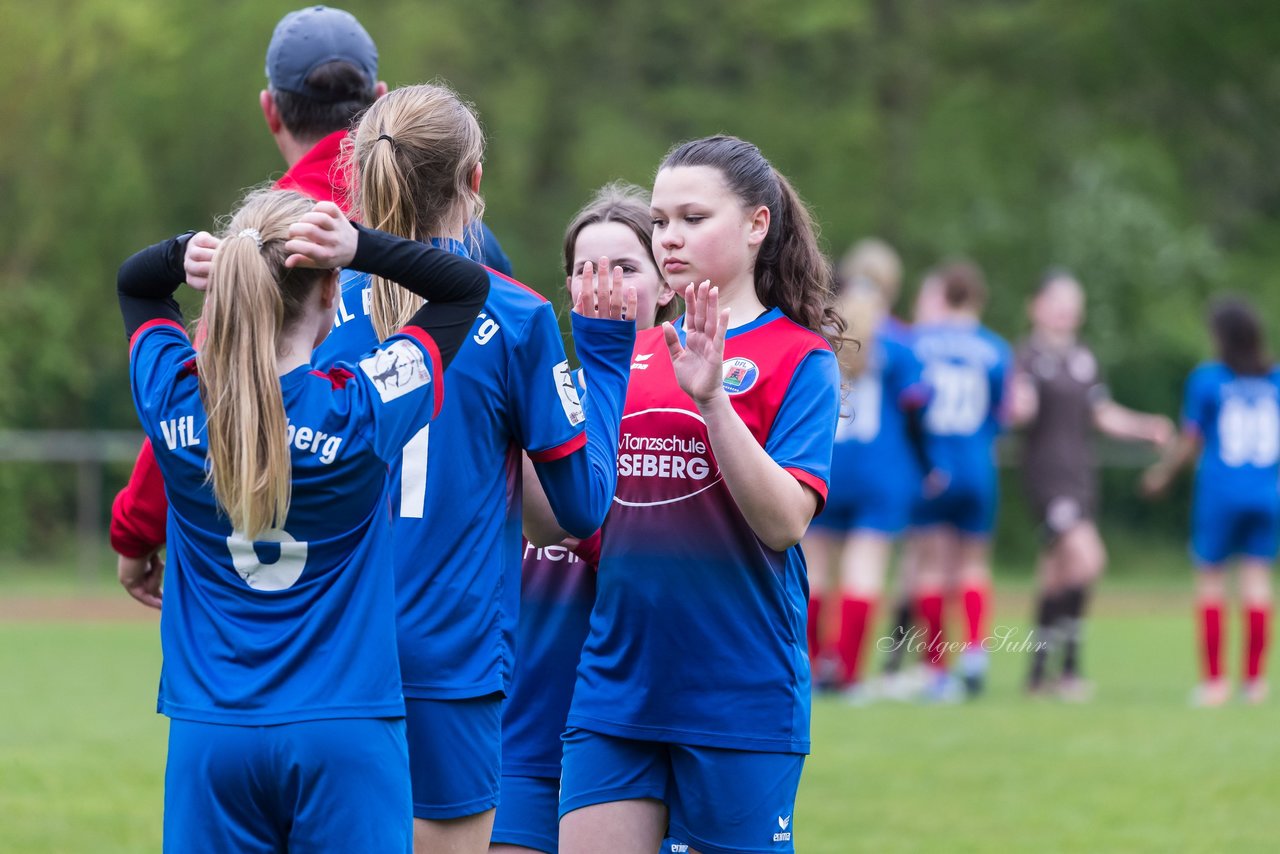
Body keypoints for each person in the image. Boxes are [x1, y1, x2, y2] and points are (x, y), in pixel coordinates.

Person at [310, 84, 636, 853]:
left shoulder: (316, 302)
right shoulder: (516, 315)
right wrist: (606, 357)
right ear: (474, 180)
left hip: (324, 645)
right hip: (449, 654)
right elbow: (582, 507)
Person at [117, 188, 490, 850]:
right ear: (327, 295)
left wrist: (181, 255)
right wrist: (361, 245)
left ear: (228, 288)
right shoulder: (359, 410)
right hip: (345, 732)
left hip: (213, 734)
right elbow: (463, 289)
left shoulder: (176, 400)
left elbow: (137, 288)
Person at [109, 4, 515, 588]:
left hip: (298, 577)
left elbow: (204, 392)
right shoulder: (467, 238)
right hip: (447, 585)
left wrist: (136, 531)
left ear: (270, 109)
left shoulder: (261, 236)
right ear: (377, 98)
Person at [557, 135, 842, 854]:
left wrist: (714, 400)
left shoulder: (800, 357)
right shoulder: (630, 353)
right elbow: (575, 521)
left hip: (738, 695)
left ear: (757, 225)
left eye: (692, 217)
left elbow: (783, 524)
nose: (669, 238)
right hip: (617, 688)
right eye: (659, 221)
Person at [492, 183, 676, 854]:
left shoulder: (695, 402)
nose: (604, 284)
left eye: (625, 268)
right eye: (585, 269)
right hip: (530, 702)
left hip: (640, 709)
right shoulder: (543, 394)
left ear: (667, 284)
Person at [1011, 271, 1172, 699]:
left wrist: (1145, 426)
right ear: (1036, 306)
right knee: (1089, 560)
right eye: (1057, 300)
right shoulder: (1026, 357)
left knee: (1057, 574)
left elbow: (1102, 414)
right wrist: (1016, 409)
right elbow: (1016, 410)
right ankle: (1068, 668)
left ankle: (1041, 672)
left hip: (1080, 479)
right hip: (1048, 480)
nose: (1065, 309)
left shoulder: (1084, 359)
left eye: (1072, 301)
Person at [803, 239, 931, 700]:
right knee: (865, 568)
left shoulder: (821, 330)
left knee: (814, 570)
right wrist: (927, 465)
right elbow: (917, 408)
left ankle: (814, 669)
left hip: (826, 462)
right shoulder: (899, 339)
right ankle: (851, 675)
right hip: (881, 469)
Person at [1142, 297, 1279, 706]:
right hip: (1269, 494)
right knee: (1257, 583)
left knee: (1211, 585)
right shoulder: (1275, 379)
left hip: (1221, 494)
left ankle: (1215, 683)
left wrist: (1162, 474)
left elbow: (1191, 439)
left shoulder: (1207, 379)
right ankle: (1254, 683)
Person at [907, 262, 1013, 700]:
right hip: (977, 465)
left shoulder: (917, 344)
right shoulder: (996, 349)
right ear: (977, 299)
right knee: (972, 564)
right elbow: (1004, 416)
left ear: (942, 296)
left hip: (932, 467)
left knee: (930, 568)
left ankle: (936, 670)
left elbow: (910, 403)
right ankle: (973, 650)